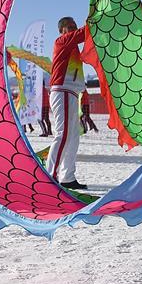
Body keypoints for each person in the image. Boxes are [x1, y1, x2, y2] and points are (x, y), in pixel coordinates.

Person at [45, 17, 88, 190]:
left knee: (73, 137)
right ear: (61, 30)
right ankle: (50, 177)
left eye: (74, 26)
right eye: (69, 27)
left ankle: (67, 177)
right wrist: (96, 16)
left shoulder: (73, 47)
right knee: (63, 135)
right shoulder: (62, 41)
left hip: (71, 93)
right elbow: (84, 33)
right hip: (61, 90)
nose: (73, 29)